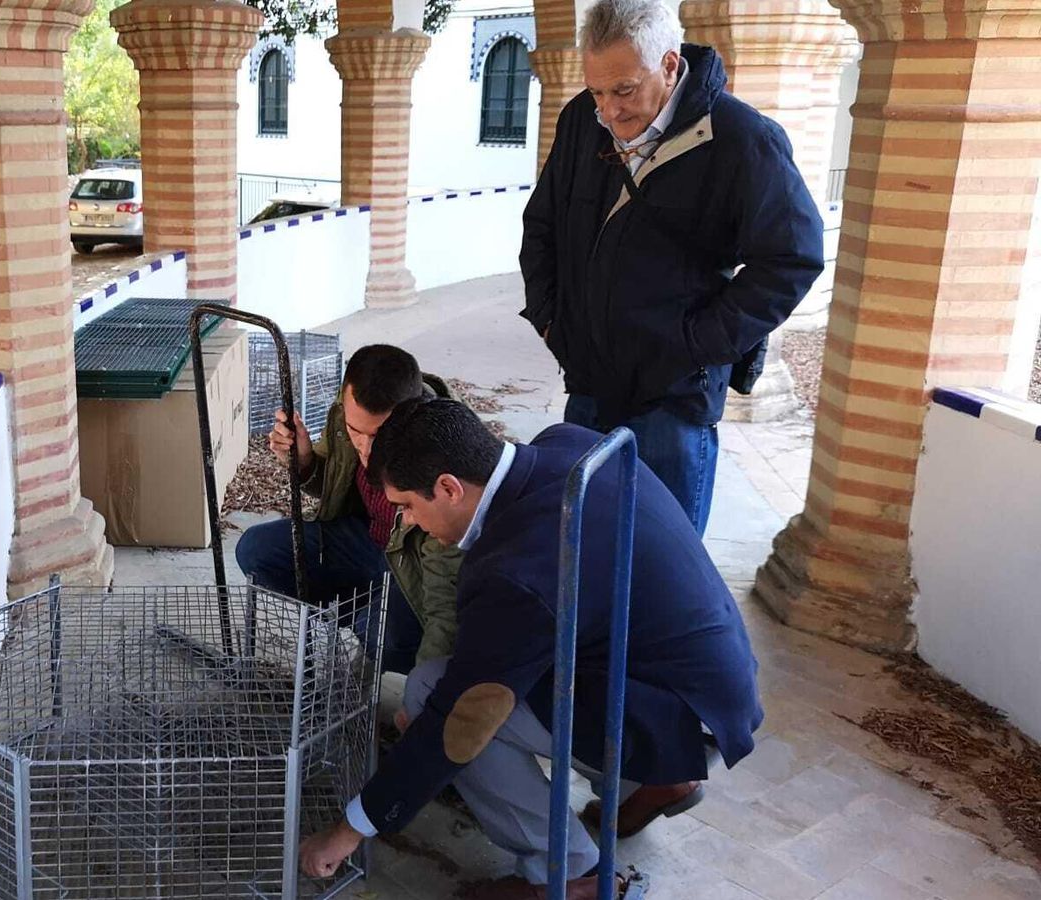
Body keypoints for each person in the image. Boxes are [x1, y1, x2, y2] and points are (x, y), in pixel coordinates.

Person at [298, 399, 763, 900]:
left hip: (669, 720)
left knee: (438, 695)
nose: (408, 521)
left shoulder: (515, 570)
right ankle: (647, 786)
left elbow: (459, 722)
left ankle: (571, 876)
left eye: (408, 505)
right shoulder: (566, 443)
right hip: (714, 688)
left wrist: (346, 832)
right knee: (476, 689)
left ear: (450, 488)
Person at [520, 0, 824, 535]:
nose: (608, 112)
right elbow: (541, 227)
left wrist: (695, 346)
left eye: (623, 90)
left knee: (663, 564)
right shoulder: (579, 122)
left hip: (673, 400)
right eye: (596, 92)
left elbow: (791, 258)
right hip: (589, 383)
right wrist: (553, 323)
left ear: (667, 64)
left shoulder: (740, 138)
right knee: (582, 549)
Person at [235, 344, 463, 674]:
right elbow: (332, 479)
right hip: (366, 538)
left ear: (413, 415)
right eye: (358, 433)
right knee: (256, 550)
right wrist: (303, 463)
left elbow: (449, 594)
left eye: (380, 435)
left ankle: (375, 631)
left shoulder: (448, 449)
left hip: (416, 564)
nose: (367, 449)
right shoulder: (345, 414)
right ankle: (360, 613)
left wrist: (431, 696)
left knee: (382, 634)